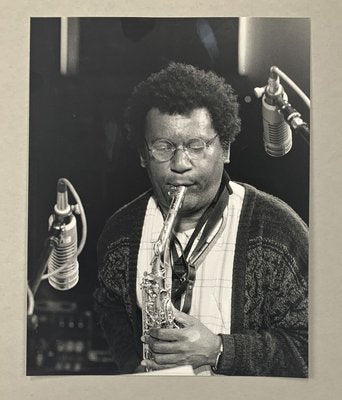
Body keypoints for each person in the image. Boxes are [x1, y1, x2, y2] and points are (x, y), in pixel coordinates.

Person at [94, 63, 308, 377]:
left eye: (197, 146)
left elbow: (317, 349)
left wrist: (220, 350)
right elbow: (111, 314)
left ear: (226, 149)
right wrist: (133, 368)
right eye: (163, 147)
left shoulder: (280, 232)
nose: (180, 164)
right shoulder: (119, 234)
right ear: (143, 154)